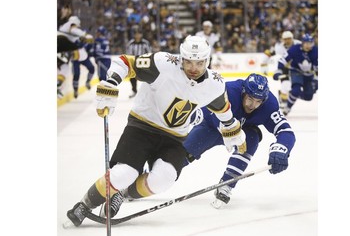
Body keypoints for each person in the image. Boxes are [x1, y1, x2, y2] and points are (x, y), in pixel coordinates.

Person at [66, 35, 247, 226]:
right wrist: (111, 83)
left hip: (174, 138)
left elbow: (223, 109)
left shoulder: (214, 84)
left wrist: (232, 130)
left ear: (207, 61)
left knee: (164, 179)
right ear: (181, 58)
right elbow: (125, 62)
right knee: (123, 174)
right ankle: (85, 205)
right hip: (142, 127)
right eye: (189, 62)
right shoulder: (163, 63)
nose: (194, 68)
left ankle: (122, 194)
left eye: (200, 63)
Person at [183, 73, 296, 208]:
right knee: (179, 158)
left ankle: (227, 183)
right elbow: (204, 112)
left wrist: (281, 149)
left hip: (243, 134)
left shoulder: (269, 105)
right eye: (250, 98)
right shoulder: (228, 91)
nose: (253, 105)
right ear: (243, 92)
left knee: (252, 138)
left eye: (258, 101)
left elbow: (285, 131)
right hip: (211, 128)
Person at [275, 33, 318, 116]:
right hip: (296, 72)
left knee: (309, 96)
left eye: (310, 43)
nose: (309, 46)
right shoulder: (295, 49)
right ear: (302, 43)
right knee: (296, 90)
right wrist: (279, 70)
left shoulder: (316, 51)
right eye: (307, 43)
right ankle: (287, 108)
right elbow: (283, 60)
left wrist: (316, 79)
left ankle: (291, 94)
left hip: (309, 75)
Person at [260, 31, 301, 110]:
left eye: (289, 39)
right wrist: (264, 66)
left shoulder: (299, 44)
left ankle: (285, 96)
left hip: (298, 68)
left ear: (292, 38)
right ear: (282, 40)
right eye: (285, 39)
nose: (287, 41)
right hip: (284, 67)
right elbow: (268, 53)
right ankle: (283, 98)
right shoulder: (278, 47)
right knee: (285, 84)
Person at [57, 15, 93, 99]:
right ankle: (58, 84)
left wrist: (81, 39)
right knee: (68, 65)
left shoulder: (65, 29)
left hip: (60, 48)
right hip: (60, 45)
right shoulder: (70, 25)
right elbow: (73, 30)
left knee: (65, 67)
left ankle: (58, 84)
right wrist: (84, 35)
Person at [125, 30, 152, 98]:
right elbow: (128, 54)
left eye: (139, 34)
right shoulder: (131, 43)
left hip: (144, 63)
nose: (137, 36)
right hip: (134, 63)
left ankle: (148, 92)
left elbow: (149, 53)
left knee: (147, 78)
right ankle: (134, 91)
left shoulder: (145, 43)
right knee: (132, 77)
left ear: (141, 35)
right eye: (136, 34)